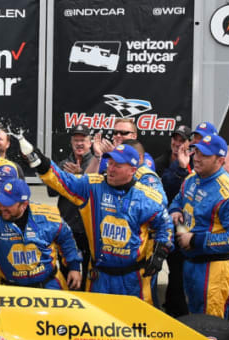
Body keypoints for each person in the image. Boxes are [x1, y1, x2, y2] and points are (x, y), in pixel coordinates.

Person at [35, 143, 173, 303]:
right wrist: (40, 162)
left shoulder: (147, 197)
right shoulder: (92, 186)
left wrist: (159, 254)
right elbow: (62, 180)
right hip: (99, 277)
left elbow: (165, 225)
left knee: (136, 325)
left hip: (134, 279)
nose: (111, 169)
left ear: (132, 171)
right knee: (98, 324)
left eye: (118, 165)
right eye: (110, 163)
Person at [168, 127, 229, 317]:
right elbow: (177, 201)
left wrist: (195, 240)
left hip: (217, 268)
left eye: (204, 155)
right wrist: (175, 212)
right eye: (195, 151)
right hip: (191, 263)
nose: (196, 158)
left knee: (212, 326)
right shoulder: (191, 179)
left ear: (220, 161)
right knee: (195, 321)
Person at [47, 124, 94, 286]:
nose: (79, 143)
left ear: (90, 142)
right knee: (67, 271)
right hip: (68, 229)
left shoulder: (97, 163)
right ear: (71, 142)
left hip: (89, 228)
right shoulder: (63, 165)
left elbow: (95, 189)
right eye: (76, 140)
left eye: (83, 140)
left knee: (90, 274)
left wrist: (79, 176)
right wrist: (64, 178)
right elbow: (51, 192)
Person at [156, 125, 192, 317]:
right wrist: (179, 167)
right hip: (165, 221)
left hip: (186, 223)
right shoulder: (161, 161)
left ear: (189, 143)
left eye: (181, 140)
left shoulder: (195, 161)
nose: (177, 143)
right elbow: (166, 190)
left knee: (180, 269)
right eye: (175, 138)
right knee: (169, 266)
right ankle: (170, 309)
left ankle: (177, 310)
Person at [86, 118, 155, 174]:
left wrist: (117, 153)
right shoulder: (107, 155)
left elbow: (138, 179)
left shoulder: (143, 156)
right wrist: (97, 155)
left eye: (123, 133)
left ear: (134, 136)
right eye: (115, 132)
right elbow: (87, 180)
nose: (118, 135)